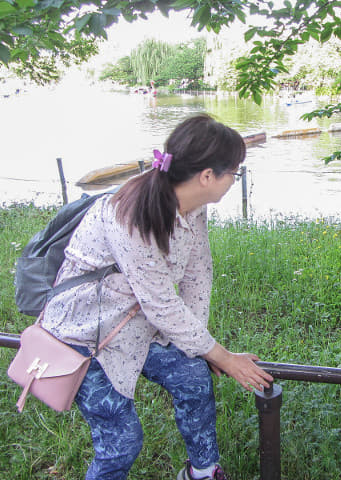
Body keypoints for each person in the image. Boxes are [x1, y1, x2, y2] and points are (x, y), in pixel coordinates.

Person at [42, 114, 274, 480]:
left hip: (138, 325)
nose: (236, 179)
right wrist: (224, 357)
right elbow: (162, 304)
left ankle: (202, 472)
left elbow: (198, 274)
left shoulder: (193, 206)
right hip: (85, 336)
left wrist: (200, 347)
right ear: (207, 176)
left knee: (193, 375)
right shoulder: (130, 216)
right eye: (235, 171)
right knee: (122, 441)